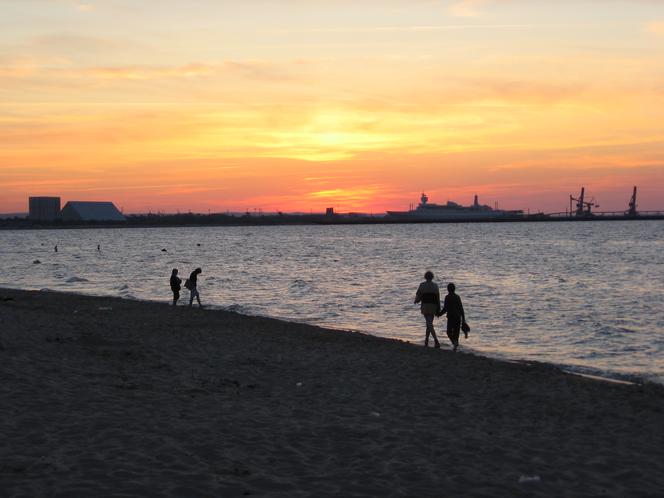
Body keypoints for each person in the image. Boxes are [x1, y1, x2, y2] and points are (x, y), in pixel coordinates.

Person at [414, 271, 441, 348]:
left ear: (425, 277)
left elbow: (418, 296)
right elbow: (438, 298)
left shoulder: (422, 285)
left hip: (425, 306)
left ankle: (436, 340)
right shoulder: (435, 286)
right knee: (429, 323)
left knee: (429, 323)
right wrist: (439, 308)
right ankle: (426, 339)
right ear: (432, 277)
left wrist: (416, 301)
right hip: (433, 306)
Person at [437, 282, 466, 351]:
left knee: (449, 332)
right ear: (454, 289)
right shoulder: (457, 297)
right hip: (458, 317)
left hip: (451, 317)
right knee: (456, 332)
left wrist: (439, 314)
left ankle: (454, 343)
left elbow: (445, 308)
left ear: (448, 289)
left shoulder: (447, 297)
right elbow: (461, 308)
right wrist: (463, 319)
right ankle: (455, 345)